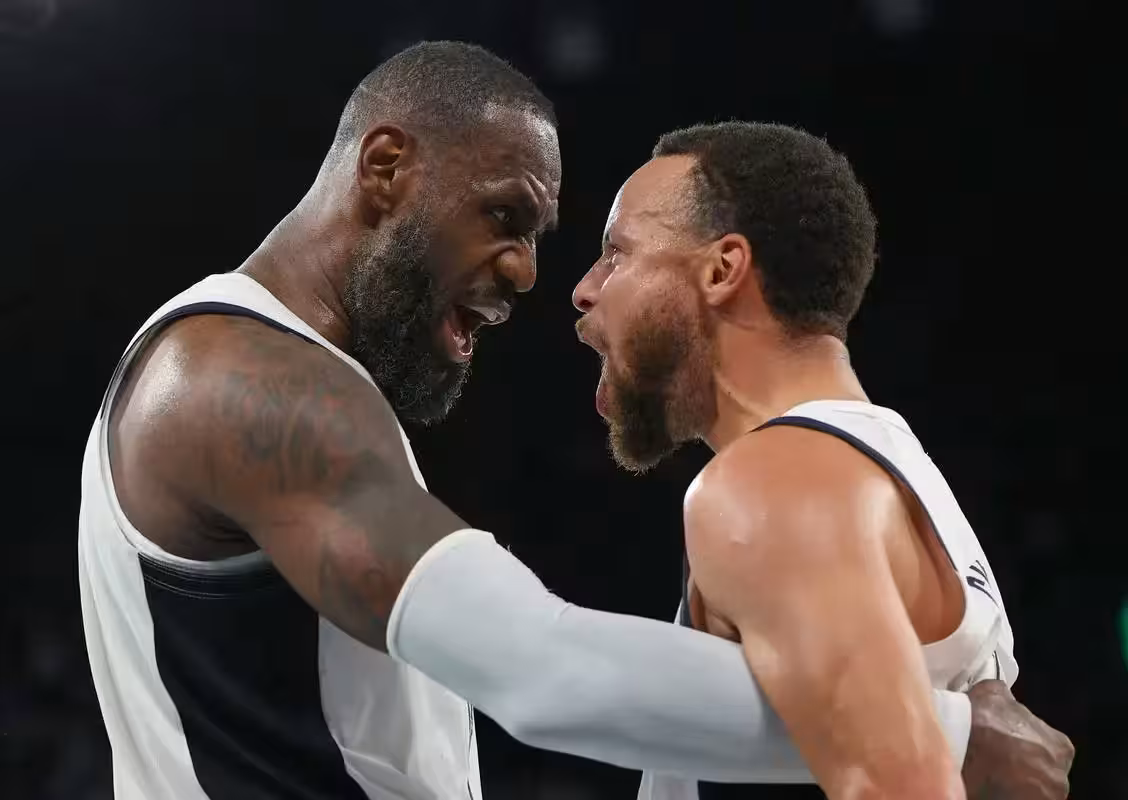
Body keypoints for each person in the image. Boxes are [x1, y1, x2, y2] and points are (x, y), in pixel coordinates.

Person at [77, 39, 1072, 800]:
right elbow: (543, 671)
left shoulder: (803, 477)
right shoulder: (240, 379)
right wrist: (938, 732)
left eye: (598, 249)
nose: (534, 276)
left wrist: (900, 722)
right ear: (385, 170)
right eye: (505, 216)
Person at [561, 121, 1069, 798]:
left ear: (721, 271)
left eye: (615, 254)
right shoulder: (882, 467)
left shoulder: (774, 484)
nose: (585, 289)